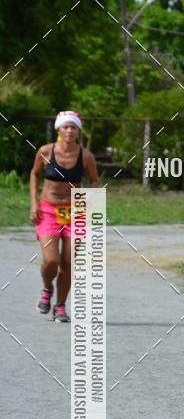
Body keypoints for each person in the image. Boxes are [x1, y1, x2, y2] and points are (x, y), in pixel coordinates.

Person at [29, 111, 98, 322]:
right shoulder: (45, 151)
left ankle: (60, 306)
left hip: (74, 212)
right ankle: (47, 288)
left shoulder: (85, 156)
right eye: (66, 127)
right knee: (51, 260)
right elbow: (34, 174)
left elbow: (94, 180)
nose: (69, 131)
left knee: (68, 262)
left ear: (78, 131)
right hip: (49, 210)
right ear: (59, 129)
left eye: (73, 127)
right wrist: (34, 203)